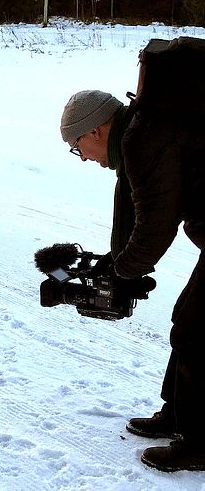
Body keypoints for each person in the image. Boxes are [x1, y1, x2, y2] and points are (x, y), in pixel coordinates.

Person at [60, 89, 205, 472]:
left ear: (95, 131)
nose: (84, 158)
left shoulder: (143, 141)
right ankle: (178, 415)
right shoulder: (141, 134)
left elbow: (155, 227)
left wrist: (121, 272)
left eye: (77, 147)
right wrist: (119, 265)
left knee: (197, 331)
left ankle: (200, 442)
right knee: (187, 320)